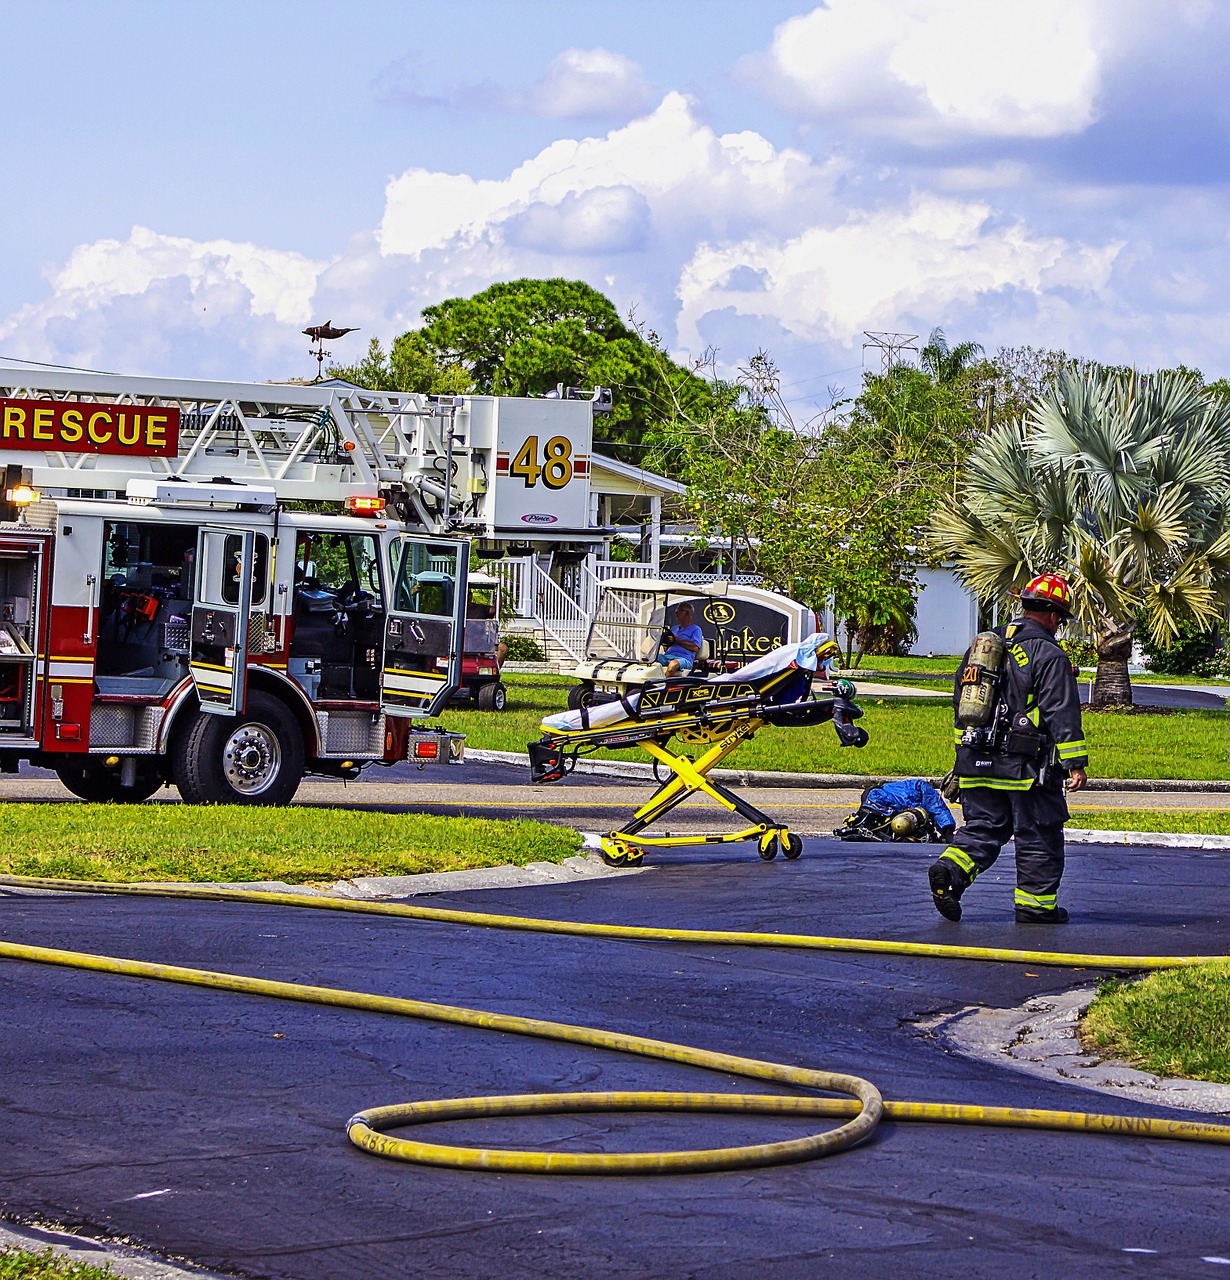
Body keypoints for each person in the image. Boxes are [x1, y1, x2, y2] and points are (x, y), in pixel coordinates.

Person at [928, 573, 1089, 925]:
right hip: (1025, 768)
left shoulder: (983, 647)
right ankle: (1036, 907)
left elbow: (962, 704)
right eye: (1060, 619)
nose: (1059, 625)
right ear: (1052, 615)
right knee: (1039, 834)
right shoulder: (1048, 653)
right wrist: (1075, 762)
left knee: (984, 828)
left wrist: (962, 761)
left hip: (974, 760)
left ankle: (949, 871)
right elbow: (1060, 710)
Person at [661, 602, 704, 676]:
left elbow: (695, 647)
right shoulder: (674, 628)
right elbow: (666, 648)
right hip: (668, 656)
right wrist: (664, 641)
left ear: (687, 613)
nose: (676, 613)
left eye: (679, 610)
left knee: (673, 665)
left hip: (684, 659)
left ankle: (662, 685)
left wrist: (677, 641)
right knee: (650, 661)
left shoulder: (696, 629)